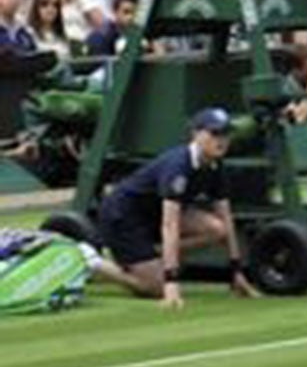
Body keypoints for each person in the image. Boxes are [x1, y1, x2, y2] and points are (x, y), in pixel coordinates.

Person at [93, 107, 261, 308]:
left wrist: (236, 271)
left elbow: (226, 217)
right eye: (215, 133)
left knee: (218, 229)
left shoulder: (216, 166)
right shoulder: (178, 167)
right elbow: (170, 224)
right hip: (123, 216)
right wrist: (171, 282)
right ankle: (92, 262)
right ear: (196, 135)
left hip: (154, 214)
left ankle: (154, 255)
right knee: (156, 287)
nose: (222, 140)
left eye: (226, 134)